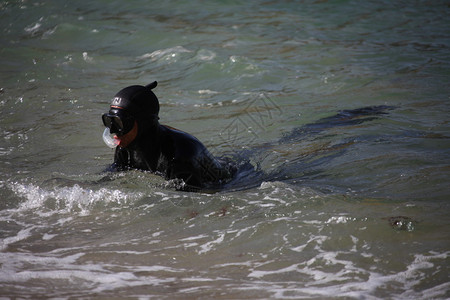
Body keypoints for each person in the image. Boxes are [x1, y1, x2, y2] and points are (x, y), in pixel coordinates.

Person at [101, 81, 236, 191]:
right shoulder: (125, 144)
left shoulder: (181, 155)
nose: (114, 130)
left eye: (120, 123)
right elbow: (111, 177)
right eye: (110, 121)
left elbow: (196, 204)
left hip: (233, 180)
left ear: (144, 123)